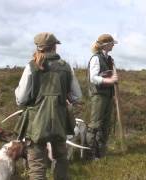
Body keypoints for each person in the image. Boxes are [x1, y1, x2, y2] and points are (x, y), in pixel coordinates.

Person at [14, 32, 82, 180]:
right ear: (54, 47)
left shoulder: (31, 66)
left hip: (36, 123)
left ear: (38, 48)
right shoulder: (66, 67)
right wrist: (66, 96)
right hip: (59, 121)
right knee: (61, 159)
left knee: (37, 166)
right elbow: (77, 96)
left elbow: (20, 99)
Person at [86, 34, 118, 160]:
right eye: (112, 43)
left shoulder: (109, 59)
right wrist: (109, 81)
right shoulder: (96, 58)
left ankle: (101, 152)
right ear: (106, 45)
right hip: (98, 96)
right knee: (95, 125)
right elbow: (93, 78)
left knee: (105, 124)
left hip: (108, 95)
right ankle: (91, 153)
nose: (113, 45)